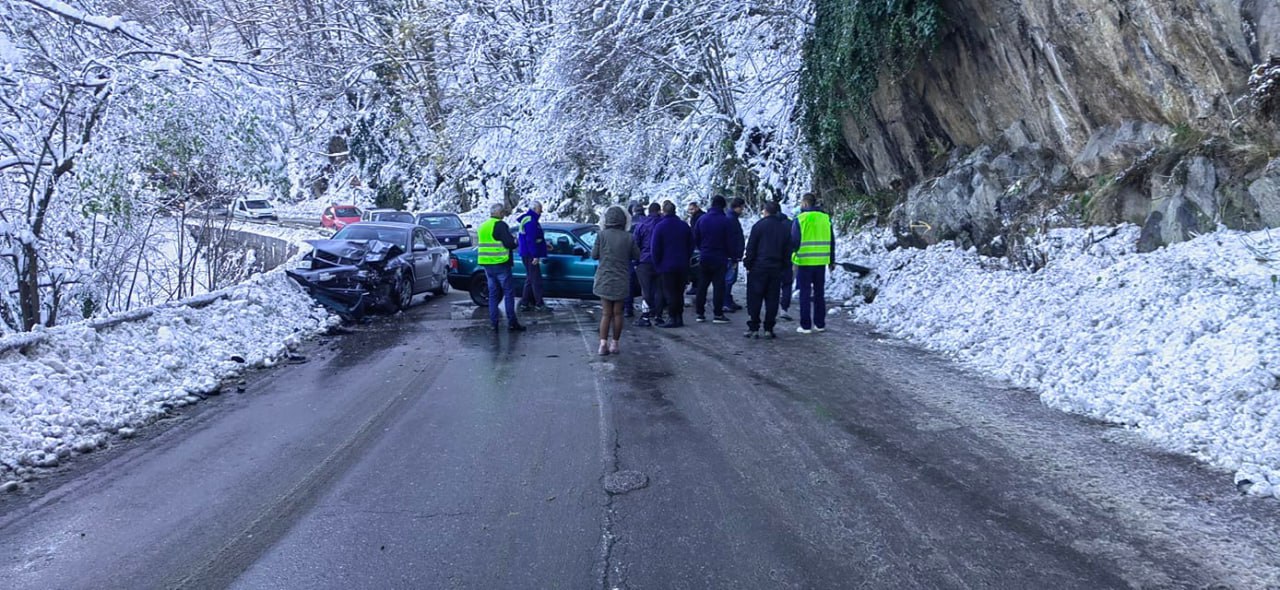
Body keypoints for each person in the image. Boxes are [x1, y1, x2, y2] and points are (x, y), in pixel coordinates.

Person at [592, 206, 641, 355]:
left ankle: (602, 345)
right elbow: (637, 255)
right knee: (618, 313)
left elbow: (594, 255)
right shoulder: (628, 237)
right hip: (621, 278)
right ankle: (615, 344)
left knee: (606, 313)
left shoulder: (601, 235)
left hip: (604, 278)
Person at [743, 201, 793, 339]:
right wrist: (783, 266)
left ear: (765, 211)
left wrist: (748, 263)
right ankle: (769, 328)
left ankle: (753, 327)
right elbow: (788, 250)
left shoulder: (758, 226)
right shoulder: (783, 229)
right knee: (772, 299)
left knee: (755, 298)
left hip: (758, 268)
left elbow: (751, 248)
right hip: (775, 268)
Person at [790, 193, 835, 334]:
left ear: (804, 203)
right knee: (819, 294)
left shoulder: (800, 219)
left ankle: (805, 325)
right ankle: (820, 324)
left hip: (804, 262)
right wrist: (831, 260)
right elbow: (831, 241)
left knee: (805, 293)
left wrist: (792, 260)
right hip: (821, 262)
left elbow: (794, 242)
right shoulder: (825, 218)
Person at [478, 202, 525, 331]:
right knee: (508, 293)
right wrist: (515, 240)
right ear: (499, 213)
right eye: (503, 212)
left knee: (493, 294)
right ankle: (512, 322)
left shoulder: (483, 226)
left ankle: (494, 323)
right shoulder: (500, 225)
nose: (504, 214)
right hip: (501, 263)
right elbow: (509, 243)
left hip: (487, 265)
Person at [691, 195, 735, 324]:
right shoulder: (726, 221)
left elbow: (696, 238)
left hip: (705, 256)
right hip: (720, 258)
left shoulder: (702, 219)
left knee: (702, 286)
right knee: (718, 287)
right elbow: (730, 241)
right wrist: (731, 256)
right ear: (723, 206)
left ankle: (700, 313)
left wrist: (703, 249)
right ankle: (718, 314)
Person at [650, 201, 694, 328]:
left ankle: (672, 317)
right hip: (682, 265)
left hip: (666, 265)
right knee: (679, 292)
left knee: (670, 293)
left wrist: (657, 264)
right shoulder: (684, 226)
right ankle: (679, 317)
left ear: (664, 211)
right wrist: (686, 258)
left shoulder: (660, 226)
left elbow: (655, 248)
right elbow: (691, 244)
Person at [633, 202, 663, 327]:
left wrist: (636, 260)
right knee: (659, 290)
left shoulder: (641, 225)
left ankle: (645, 317)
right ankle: (658, 316)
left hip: (644, 261)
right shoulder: (663, 224)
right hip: (660, 261)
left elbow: (636, 243)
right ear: (659, 211)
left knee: (645, 290)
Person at [516, 201, 548, 312]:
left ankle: (525, 303)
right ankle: (539, 304)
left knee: (530, 279)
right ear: (535, 209)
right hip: (530, 254)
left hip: (527, 253)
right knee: (536, 279)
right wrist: (535, 255)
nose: (541, 211)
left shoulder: (529, 219)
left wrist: (544, 244)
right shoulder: (531, 221)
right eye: (540, 209)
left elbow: (533, 238)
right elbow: (530, 240)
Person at [723, 197, 747, 312]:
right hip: (731, 256)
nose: (742, 210)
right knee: (729, 279)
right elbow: (733, 239)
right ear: (737, 207)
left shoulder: (731, 218)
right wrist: (734, 254)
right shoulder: (731, 219)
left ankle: (728, 299)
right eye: (742, 208)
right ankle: (726, 302)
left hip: (731, 254)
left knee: (730, 279)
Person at [623, 203, 646, 318]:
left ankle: (628, 308)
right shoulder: (647, 222)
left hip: (630, 257)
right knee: (647, 285)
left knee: (629, 284)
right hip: (645, 257)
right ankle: (648, 309)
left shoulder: (628, 224)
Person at [775, 200, 794, 322]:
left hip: (773, 259)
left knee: (773, 285)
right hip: (787, 259)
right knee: (787, 284)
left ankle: (772, 308)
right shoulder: (791, 224)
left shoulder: (768, 223)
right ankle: (784, 309)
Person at [684, 200, 704, 295]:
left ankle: (697, 286)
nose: (690, 211)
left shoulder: (699, 217)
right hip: (696, 244)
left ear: (696, 208)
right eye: (689, 210)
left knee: (696, 267)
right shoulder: (696, 217)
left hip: (698, 245)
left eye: (692, 209)